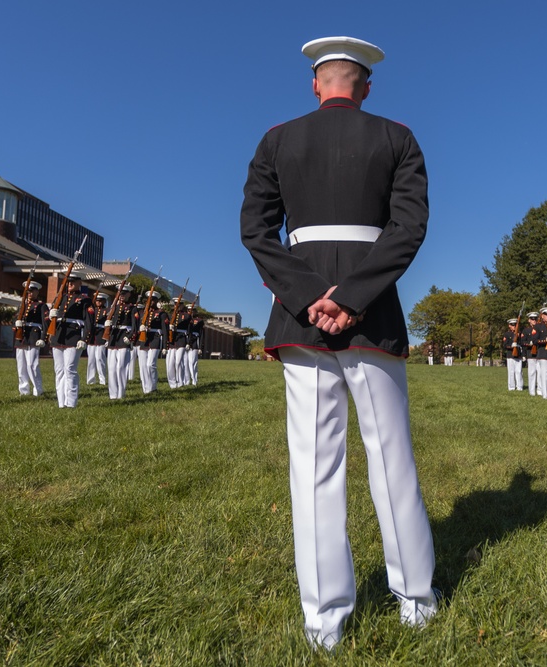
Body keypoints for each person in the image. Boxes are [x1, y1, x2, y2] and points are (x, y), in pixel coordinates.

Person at [240, 36, 438, 650]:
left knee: (315, 466)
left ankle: (324, 620)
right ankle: (416, 601)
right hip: (371, 314)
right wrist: (352, 296)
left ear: (316, 85)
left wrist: (307, 297)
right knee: (391, 458)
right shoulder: (397, 137)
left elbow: (256, 229)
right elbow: (408, 229)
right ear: (366, 87)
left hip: (301, 318)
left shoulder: (277, 138)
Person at [50, 272, 94, 409]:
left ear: (79, 283)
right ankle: (61, 402)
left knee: (70, 369)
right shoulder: (60, 298)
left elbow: (89, 321)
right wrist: (52, 312)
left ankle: (71, 402)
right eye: (68, 281)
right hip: (58, 335)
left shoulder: (84, 299)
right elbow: (50, 319)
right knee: (59, 370)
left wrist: (84, 338)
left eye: (73, 281)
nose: (69, 284)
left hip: (74, 336)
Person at [14, 280, 48, 397]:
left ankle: (38, 389)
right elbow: (17, 318)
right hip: (22, 336)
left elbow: (45, 323)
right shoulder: (22, 305)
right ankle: (24, 390)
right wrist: (16, 323)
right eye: (27, 291)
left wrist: (43, 338)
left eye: (32, 291)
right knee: (21, 365)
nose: (29, 293)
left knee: (32, 365)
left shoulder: (41, 306)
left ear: (37, 292)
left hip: (34, 336)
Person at [106, 284, 138, 400]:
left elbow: (135, 326)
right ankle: (113, 394)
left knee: (121, 367)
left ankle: (121, 392)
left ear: (129, 294)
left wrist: (130, 337)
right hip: (113, 337)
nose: (122, 296)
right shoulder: (113, 306)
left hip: (124, 336)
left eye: (124, 293)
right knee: (112, 367)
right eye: (120, 293)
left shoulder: (132, 308)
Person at [137, 292, 168, 393]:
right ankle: (146, 388)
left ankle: (153, 386)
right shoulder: (141, 313)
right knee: (142, 365)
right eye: (149, 300)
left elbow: (164, 330)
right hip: (143, 339)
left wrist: (164, 346)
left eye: (153, 300)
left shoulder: (161, 314)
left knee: (150, 364)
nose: (151, 302)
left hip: (155, 338)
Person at [86, 292, 110, 386]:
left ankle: (102, 380)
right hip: (92, 336)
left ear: (104, 301)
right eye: (97, 300)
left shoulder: (107, 310)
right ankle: (90, 380)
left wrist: (107, 338)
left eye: (100, 301)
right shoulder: (92, 310)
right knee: (91, 360)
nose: (98, 302)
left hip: (101, 335)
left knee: (100, 359)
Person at [167, 298, 191, 388]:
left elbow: (189, 330)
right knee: (171, 363)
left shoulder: (186, 316)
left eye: (179, 305)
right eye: (176, 304)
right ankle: (172, 383)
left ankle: (180, 381)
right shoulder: (170, 315)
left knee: (178, 362)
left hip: (182, 339)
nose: (177, 306)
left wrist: (189, 342)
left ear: (182, 305)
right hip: (172, 339)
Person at [502, 318, 523, 390]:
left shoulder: (520, 333)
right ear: (509, 326)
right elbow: (504, 345)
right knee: (511, 372)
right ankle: (511, 387)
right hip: (510, 355)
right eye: (512, 325)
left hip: (518, 355)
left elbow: (522, 343)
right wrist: (511, 346)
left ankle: (519, 386)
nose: (514, 326)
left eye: (515, 325)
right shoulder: (507, 334)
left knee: (519, 371)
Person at [523, 312, 540, 395]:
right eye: (532, 319)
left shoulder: (540, 328)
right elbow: (522, 342)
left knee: (540, 373)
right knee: (532, 373)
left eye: (535, 319)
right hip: (531, 353)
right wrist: (528, 343)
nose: (534, 320)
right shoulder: (526, 330)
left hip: (540, 353)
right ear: (529, 320)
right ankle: (532, 391)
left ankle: (540, 390)